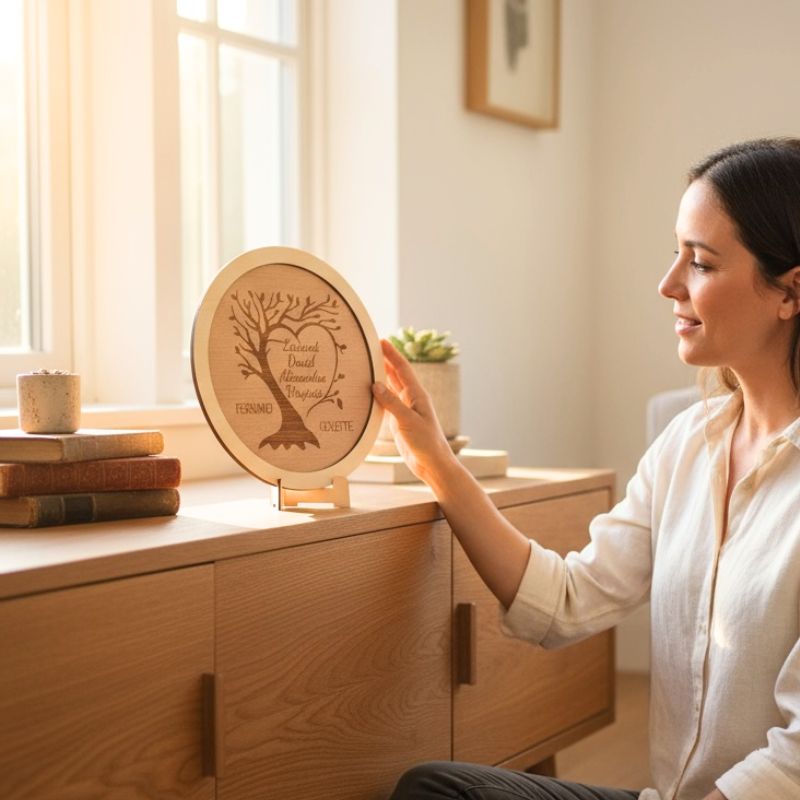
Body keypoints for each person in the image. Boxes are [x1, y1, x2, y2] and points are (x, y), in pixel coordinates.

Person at [371, 138, 800, 800]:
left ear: (790, 292)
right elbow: (565, 603)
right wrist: (435, 461)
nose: (668, 285)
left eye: (700, 263)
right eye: (676, 254)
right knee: (434, 789)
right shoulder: (688, 444)